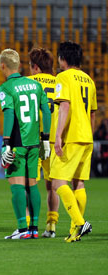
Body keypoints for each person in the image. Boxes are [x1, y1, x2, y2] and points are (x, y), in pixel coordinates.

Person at [0, 49, 51, 239]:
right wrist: (45, 139)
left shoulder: (5, 88)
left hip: (17, 142)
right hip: (34, 142)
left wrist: (6, 143)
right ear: (19, 65)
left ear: (3, 66)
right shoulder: (35, 85)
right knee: (33, 185)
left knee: (17, 186)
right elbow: (46, 110)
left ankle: (22, 229)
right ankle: (34, 228)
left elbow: (10, 114)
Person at [50, 41, 96, 243]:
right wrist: (89, 134)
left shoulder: (63, 77)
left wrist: (59, 136)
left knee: (59, 182)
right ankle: (74, 232)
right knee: (78, 183)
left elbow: (65, 106)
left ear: (63, 59)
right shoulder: (89, 80)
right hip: (87, 137)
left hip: (72, 137)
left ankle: (79, 222)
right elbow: (93, 113)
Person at [27, 48, 59, 238]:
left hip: (33, 139)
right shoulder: (60, 82)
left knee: (29, 183)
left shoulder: (28, 83)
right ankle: (52, 225)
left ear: (36, 67)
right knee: (53, 185)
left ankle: (31, 226)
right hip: (55, 139)